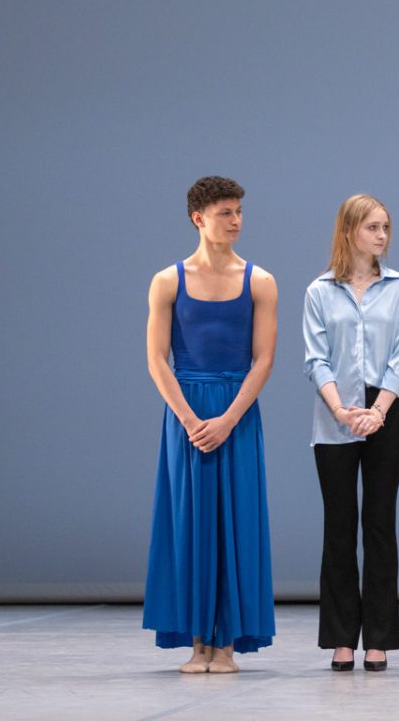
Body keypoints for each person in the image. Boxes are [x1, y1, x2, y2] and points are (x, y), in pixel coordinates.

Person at [142, 176, 277, 672]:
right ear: (198, 219)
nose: (236, 220)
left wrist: (228, 419)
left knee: (237, 522)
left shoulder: (260, 281)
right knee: (190, 523)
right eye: (225, 212)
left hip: (236, 412)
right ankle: (199, 645)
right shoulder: (167, 281)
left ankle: (227, 648)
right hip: (188, 414)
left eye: (239, 211)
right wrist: (189, 419)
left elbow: (264, 360)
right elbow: (157, 359)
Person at [302, 194, 399, 671]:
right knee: (339, 525)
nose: (382, 236)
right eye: (373, 227)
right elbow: (315, 358)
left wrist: (378, 411)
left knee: (380, 523)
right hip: (336, 411)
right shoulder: (319, 291)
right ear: (349, 231)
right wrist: (341, 410)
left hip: (385, 409)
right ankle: (341, 638)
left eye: (385, 227)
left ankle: (380, 638)